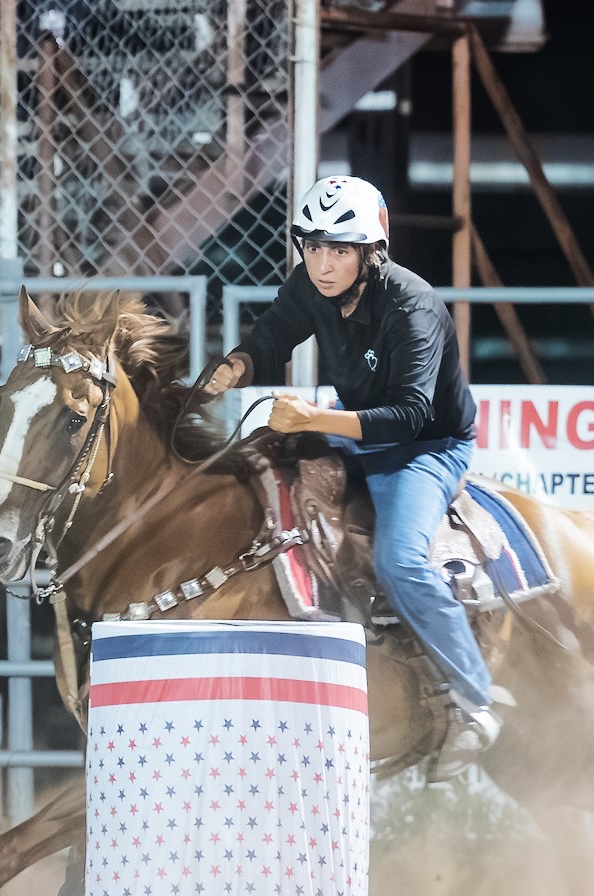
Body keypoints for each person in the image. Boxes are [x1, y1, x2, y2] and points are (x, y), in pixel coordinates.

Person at [207, 174, 500, 782]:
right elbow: (272, 335)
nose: (322, 261)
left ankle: (475, 699)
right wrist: (232, 368)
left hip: (425, 447)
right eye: (313, 246)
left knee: (401, 560)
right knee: (258, 465)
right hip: (356, 432)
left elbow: (412, 415)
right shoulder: (313, 286)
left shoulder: (413, 306)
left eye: (339, 248)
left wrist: (315, 417)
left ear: (372, 250)